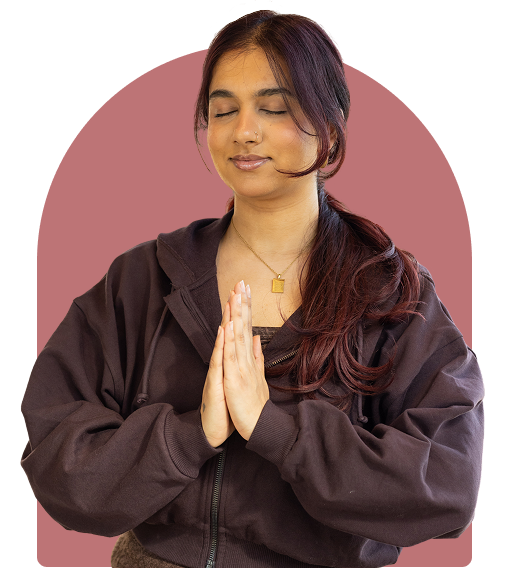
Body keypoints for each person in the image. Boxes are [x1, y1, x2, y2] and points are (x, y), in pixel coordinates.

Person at [21, 10, 484, 568]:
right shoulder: (142, 278)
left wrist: (275, 430)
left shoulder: (391, 294)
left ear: (331, 124)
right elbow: (56, 453)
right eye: (223, 111)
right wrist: (191, 435)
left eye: (274, 108)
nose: (243, 130)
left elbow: (447, 482)